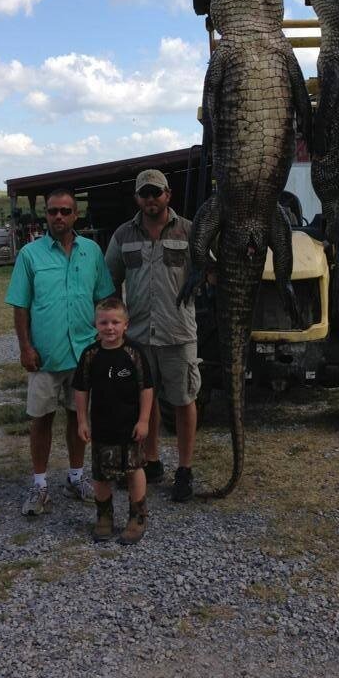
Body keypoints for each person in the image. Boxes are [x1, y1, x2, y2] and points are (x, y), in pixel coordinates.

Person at [5, 188, 115, 516]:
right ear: (46, 215)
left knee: (78, 416)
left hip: (84, 353)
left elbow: (104, 298)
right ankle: (39, 485)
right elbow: (21, 305)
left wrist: (106, 343)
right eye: (53, 211)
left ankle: (76, 476)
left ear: (75, 215)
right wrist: (25, 347)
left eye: (66, 211)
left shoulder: (92, 252)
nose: (59, 217)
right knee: (40, 418)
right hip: (46, 353)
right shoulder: (30, 255)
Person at [104, 169, 200, 501]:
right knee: (146, 401)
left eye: (156, 193)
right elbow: (110, 283)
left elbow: (210, 271)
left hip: (178, 334)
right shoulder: (122, 236)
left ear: (168, 195)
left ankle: (185, 470)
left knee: (184, 400)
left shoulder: (190, 231)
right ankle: (152, 460)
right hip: (140, 336)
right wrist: (114, 326)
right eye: (144, 193)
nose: (151, 199)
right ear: (137, 198)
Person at [74, 297, 153, 544]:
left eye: (115, 322)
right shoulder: (90, 355)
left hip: (130, 428)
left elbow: (146, 388)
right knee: (100, 475)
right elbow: (81, 389)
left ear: (126, 325)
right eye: (104, 322)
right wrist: (82, 421)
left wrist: (144, 420)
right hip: (101, 427)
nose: (110, 327)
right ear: (95, 324)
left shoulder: (135, 353)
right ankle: (104, 516)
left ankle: (137, 516)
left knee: (134, 471)